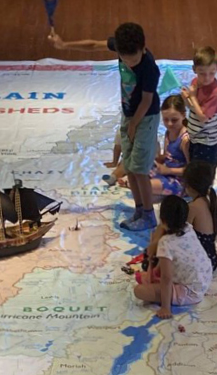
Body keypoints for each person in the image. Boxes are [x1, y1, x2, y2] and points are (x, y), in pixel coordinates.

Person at [50, 22, 160, 231]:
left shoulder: (149, 68)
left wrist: (134, 125)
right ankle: (139, 209)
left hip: (144, 118)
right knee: (130, 167)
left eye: (133, 59)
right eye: (124, 59)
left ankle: (148, 215)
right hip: (130, 116)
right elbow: (93, 45)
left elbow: (146, 101)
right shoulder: (122, 48)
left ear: (143, 49)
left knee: (140, 170)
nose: (128, 63)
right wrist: (64, 45)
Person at [133, 196, 213, 319]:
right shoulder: (188, 228)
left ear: (162, 220)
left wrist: (165, 307)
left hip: (191, 292)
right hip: (204, 281)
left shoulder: (166, 242)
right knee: (152, 276)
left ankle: (171, 298)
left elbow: (166, 278)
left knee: (139, 291)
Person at [105, 95, 189, 196]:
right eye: (166, 120)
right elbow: (167, 157)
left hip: (180, 181)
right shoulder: (169, 132)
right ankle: (115, 177)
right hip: (166, 172)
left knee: (143, 186)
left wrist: (168, 170)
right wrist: (156, 160)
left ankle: (129, 182)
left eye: (174, 120)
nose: (169, 124)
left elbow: (193, 170)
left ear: (184, 115)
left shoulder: (185, 140)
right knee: (133, 160)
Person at [181, 46, 217, 174]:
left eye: (212, 73)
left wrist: (192, 97)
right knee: (194, 168)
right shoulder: (196, 82)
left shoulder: (215, 93)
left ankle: (205, 192)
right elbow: (192, 108)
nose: (207, 78)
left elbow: (203, 118)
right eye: (202, 73)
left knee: (205, 172)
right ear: (194, 70)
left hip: (208, 141)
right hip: (196, 137)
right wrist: (185, 99)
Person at [181, 160, 217, 271]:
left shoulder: (193, 207)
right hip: (211, 258)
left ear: (189, 186)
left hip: (201, 263)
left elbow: (181, 234)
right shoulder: (208, 200)